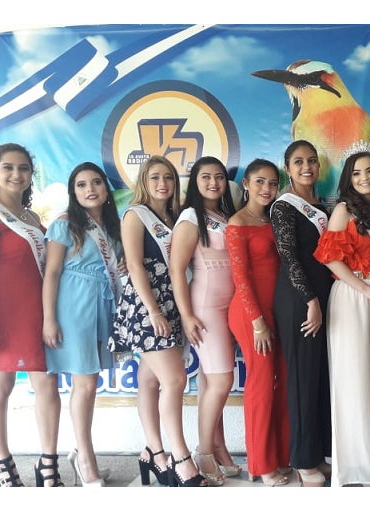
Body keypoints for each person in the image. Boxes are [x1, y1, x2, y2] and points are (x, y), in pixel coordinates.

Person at [0, 144, 61, 487]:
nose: (16, 174)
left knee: (46, 384)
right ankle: (4, 465)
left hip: (33, 311)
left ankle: (48, 466)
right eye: (8, 167)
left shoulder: (31, 217)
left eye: (23, 168)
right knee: (0, 386)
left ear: (31, 175)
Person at [108, 156, 207, 487]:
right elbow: (135, 265)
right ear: (143, 182)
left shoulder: (177, 216)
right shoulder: (135, 215)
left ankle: (153, 452)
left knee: (149, 380)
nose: (162, 183)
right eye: (154, 177)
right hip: (147, 306)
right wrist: (153, 311)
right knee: (175, 380)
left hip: (172, 301)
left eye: (168, 177)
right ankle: (181, 458)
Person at [314, 151, 370, 487]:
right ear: (348, 179)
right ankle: (354, 467)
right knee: (353, 380)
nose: (365, 178)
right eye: (357, 173)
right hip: (352, 297)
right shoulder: (343, 210)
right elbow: (330, 259)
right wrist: (364, 287)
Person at [42, 162, 122, 487]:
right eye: (81, 184)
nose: (90, 189)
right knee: (85, 384)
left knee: (90, 383)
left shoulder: (112, 226)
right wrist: (49, 319)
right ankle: (86, 460)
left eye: (96, 183)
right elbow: (51, 273)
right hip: (73, 306)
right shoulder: (65, 224)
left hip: (102, 305)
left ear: (106, 189)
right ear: (73, 192)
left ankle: (83, 453)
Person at [169, 156, 237, 487]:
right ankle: (204, 453)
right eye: (206, 177)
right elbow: (176, 269)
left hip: (229, 305)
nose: (213, 183)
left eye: (219, 177)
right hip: (206, 305)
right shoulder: (189, 217)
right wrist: (186, 315)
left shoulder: (223, 214)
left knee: (211, 381)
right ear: (195, 181)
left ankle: (218, 447)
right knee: (222, 380)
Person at [271, 140, 332, 487]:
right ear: (288, 169)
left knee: (319, 377)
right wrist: (310, 299)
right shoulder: (284, 207)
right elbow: (289, 257)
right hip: (299, 301)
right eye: (298, 162)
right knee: (302, 378)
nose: (306, 167)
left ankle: (318, 452)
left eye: (311, 161)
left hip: (322, 298)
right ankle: (302, 460)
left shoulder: (321, 207)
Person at [226, 158, 290, 486]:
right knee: (261, 384)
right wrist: (257, 323)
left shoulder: (272, 219)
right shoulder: (237, 223)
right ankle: (261, 464)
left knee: (282, 382)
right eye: (260, 182)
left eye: (273, 183)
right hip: (251, 313)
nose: (267, 188)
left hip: (277, 309)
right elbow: (240, 278)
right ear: (247, 184)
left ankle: (280, 456)